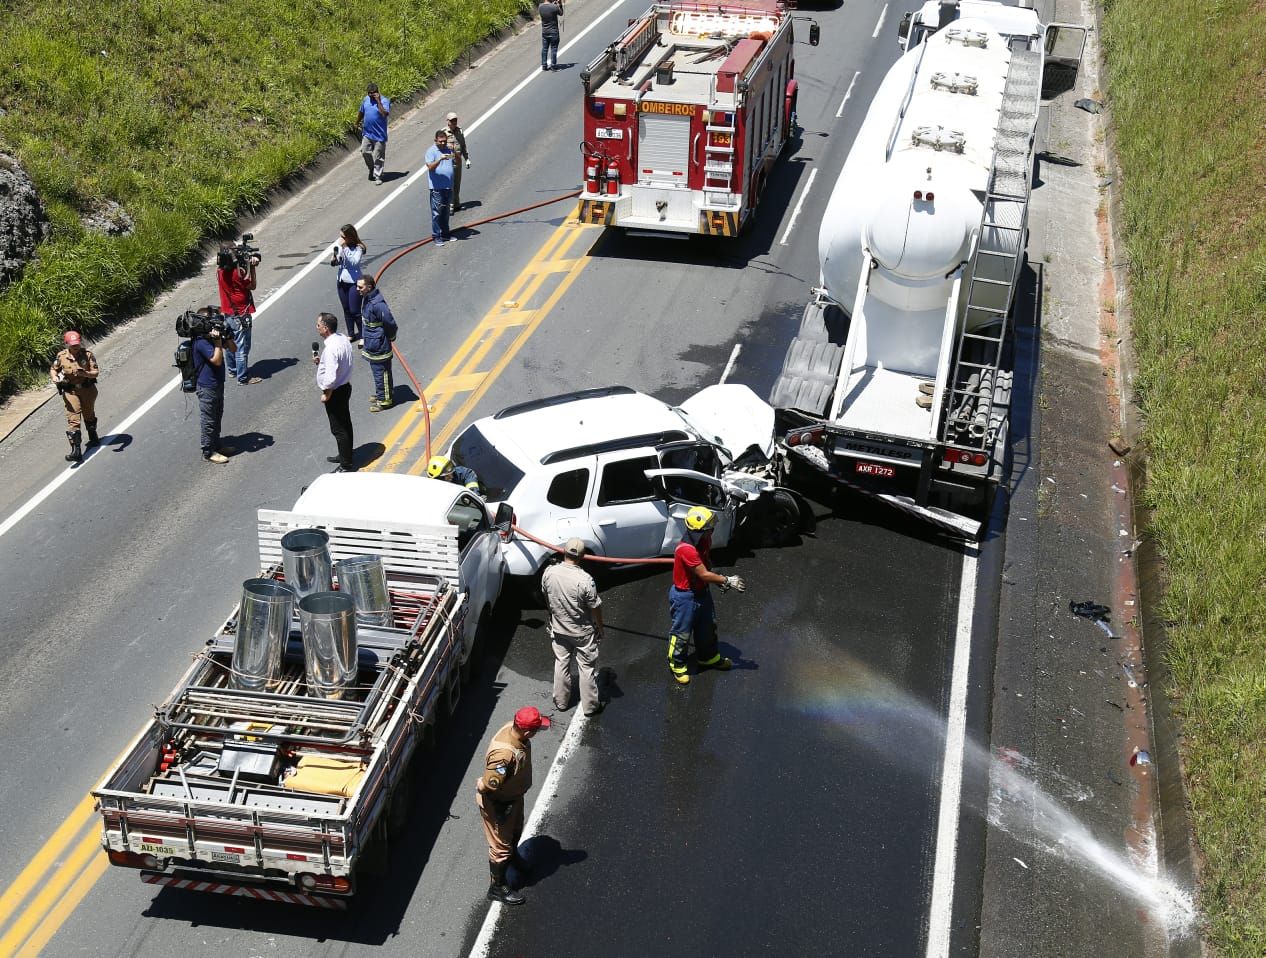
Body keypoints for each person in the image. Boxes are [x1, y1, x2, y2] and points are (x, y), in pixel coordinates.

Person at [476, 706, 551, 905]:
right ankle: (497, 888)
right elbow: (490, 784)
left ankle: (513, 857)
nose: (537, 733)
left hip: (513, 798)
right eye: (536, 729)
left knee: (516, 830)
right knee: (500, 847)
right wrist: (486, 791)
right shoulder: (504, 754)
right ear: (527, 731)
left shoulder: (515, 729)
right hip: (499, 804)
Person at [667, 506, 746, 685]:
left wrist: (716, 579)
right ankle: (677, 664)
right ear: (699, 530)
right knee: (681, 633)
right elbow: (702, 574)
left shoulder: (704, 540)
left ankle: (708, 657)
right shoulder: (686, 549)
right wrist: (727, 580)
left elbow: (706, 565)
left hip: (702, 592)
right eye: (709, 527)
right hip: (685, 598)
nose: (712, 529)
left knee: (708, 628)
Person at [541, 538, 605, 716]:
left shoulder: (549, 572)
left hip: (559, 627)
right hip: (582, 632)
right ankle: (590, 707)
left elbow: (546, 596)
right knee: (586, 668)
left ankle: (561, 702)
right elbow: (595, 606)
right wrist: (600, 626)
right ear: (582, 556)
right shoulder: (585, 580)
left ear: (564, 551)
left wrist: (552, 615)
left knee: (561, 663)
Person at [191, 308, 237, 464]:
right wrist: (217, 343)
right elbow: (216, 360)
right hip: (206, 387)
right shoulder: (201, 341)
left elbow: (233, 349)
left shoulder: (212, 336)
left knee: (217, 416)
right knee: (209, 420)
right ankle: (208, 451)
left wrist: (227, 335)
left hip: (217, 383)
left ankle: (217, 445)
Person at [313, 312, 356, 471]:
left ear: (325, 328)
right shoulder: (342, 338)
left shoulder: (330, 349)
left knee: (338, 428)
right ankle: (346, 454)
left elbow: (330, 378)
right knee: (346, 423)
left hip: (336, 392)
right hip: (345, 386)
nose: (316, 327)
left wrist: (327, 393)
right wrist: (321, 363)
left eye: (318, 325)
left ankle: (346, 464)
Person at [49, 330, 100, 462]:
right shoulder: (61, 356)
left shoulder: (87, 355)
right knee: (73, 419)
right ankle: (76, 450)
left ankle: (92, 434)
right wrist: (54, 378)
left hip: (87, 389)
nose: (75, 347)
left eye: (77, 344)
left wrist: (86, 374)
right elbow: (54, 369)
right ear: (67, 344)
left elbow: (95, 372)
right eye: (72, 345)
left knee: (89, 414)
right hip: (70, 391)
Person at [216, 243, 262, 386]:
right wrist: (252, 267)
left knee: (230, 342)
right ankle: (243, 378)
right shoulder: (238, 272)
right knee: (242, 347)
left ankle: (233, 370)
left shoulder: (219, 271)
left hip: (228, 312)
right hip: (241, 314)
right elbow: (252, 286)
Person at [355, 275, 397, 412]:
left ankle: (385, 401)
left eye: (360, 287)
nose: (357, 289)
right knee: (377, 372)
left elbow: (390, 323)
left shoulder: (378, 305)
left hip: (379, 345)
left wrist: (391, 336)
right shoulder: (367, 299)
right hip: (372, 342)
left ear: (369, 287)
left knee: (382, 373)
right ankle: (383, 394)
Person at [330, 224, 367, 343]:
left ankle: (362, 335)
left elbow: (354, 262)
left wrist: (344, 248)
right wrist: (335, 258)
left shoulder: (358, 248)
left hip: (354, 283)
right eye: (340, 236)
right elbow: (338, 262)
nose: (340, 239)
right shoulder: (341, 247)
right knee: (346, 309)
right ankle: (351, 334)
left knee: (355, 310)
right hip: (341, 282)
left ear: (349, 237)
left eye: (343, 237)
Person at [423, 129, 455, 247]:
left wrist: (453, 152)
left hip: (448, 187)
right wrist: (440, 159)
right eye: (440, 141)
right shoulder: (431, 151)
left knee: (446, 212)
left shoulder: (448, 149)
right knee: (437, 213)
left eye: (444, 141)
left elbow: (454, 161)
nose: (442, 143)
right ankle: (436, 235)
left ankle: (446, 233)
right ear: (435, 140)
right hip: (437, 188)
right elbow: (430, 167)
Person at [356, 82, 391, 183]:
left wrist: (378, 101)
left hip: (379, 135)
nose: (372, 95)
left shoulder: (384, 101)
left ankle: (378, 176)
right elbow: (361, 111)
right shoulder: (366, 100)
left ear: (378, 92)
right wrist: (357, 122)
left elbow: (384, 114)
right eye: (370, 93)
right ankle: (372, 168)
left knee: (378, 156)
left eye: (374, 93)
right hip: (367, 133)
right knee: (364, 152)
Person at [445, 112, 472, 214]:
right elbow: (439, 150)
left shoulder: (459, 131)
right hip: (448, 163)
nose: (454, 122)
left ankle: (456, 204)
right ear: (447, 121)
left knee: (457, 184)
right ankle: (450, 206)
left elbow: (463, 145)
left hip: (458, 162)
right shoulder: (443, 133)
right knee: (450, 185)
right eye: (452, 121)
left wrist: (467, 158)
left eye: (455, 120)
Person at [538, 0, 563, 72]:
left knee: (545, 49)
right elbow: (561, 13)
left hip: (544, 32)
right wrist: (560, 4)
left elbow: (548, 9)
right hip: (554, 32)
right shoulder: (554, 7)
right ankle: (553, 66)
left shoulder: (540, 7)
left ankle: (544, 65)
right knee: (554, 49)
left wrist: (554, 4)